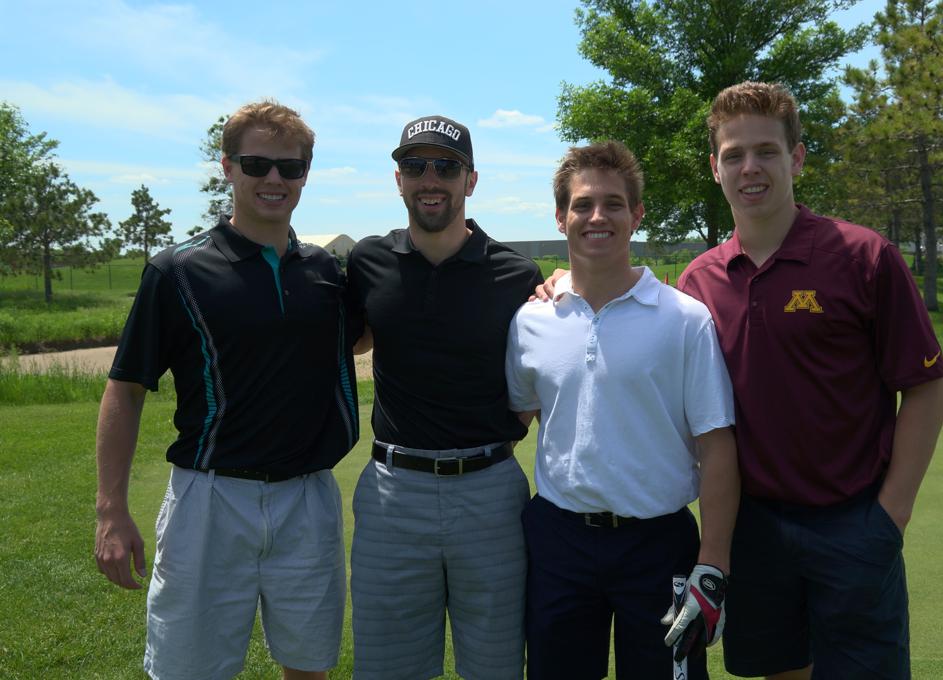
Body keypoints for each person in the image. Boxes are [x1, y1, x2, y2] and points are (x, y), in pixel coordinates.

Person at [678, 82, 943, 679]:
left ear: (796, 157)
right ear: (716, 168)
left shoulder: (864, 257)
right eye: (733, 154)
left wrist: (890, 515)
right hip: (754, 530)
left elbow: (925, 387)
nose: (750, 168)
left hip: (853, 521)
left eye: (767, 151)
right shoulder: (697, 284)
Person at [93, 99, 360, 680]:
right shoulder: (178, 271)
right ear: (227, 167)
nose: (273, 179)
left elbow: (359, 336)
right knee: (189, 670)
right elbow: (127, 389)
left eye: (289, 168)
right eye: (256, 163)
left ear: (305, 175)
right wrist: (111, 511)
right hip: (209, 501)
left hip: (309, 499)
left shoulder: (326, 273)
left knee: (309, 666)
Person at [505, 140, 739, 680]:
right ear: (560, 216)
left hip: (659, 547)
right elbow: (526, 414)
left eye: (613, 203)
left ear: (636, 215)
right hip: (559, 540)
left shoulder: (685, 319)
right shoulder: (531, 321)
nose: (597, 216)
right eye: (583, 205)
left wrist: (714, 562)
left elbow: (716, 446)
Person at [345, 115, 543, 680]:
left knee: (497, 667)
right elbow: (342, 338)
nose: (430, 178)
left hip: (491, 494)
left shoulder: (517, 273)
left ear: (471, 180)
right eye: (415, 165)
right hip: (392, 495)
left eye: (446, 166)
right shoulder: (366, 261)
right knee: (389, 669)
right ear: (398, 179)